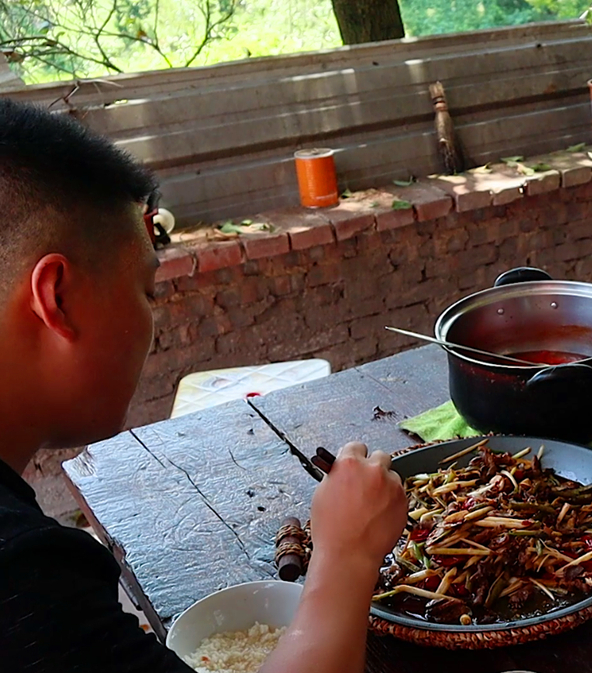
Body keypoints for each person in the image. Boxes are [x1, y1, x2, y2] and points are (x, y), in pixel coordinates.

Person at [0, 99, 408, 671]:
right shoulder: (23, 582)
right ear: (57, 299)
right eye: (148, 291)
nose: (152, 319)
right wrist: (347, 554)